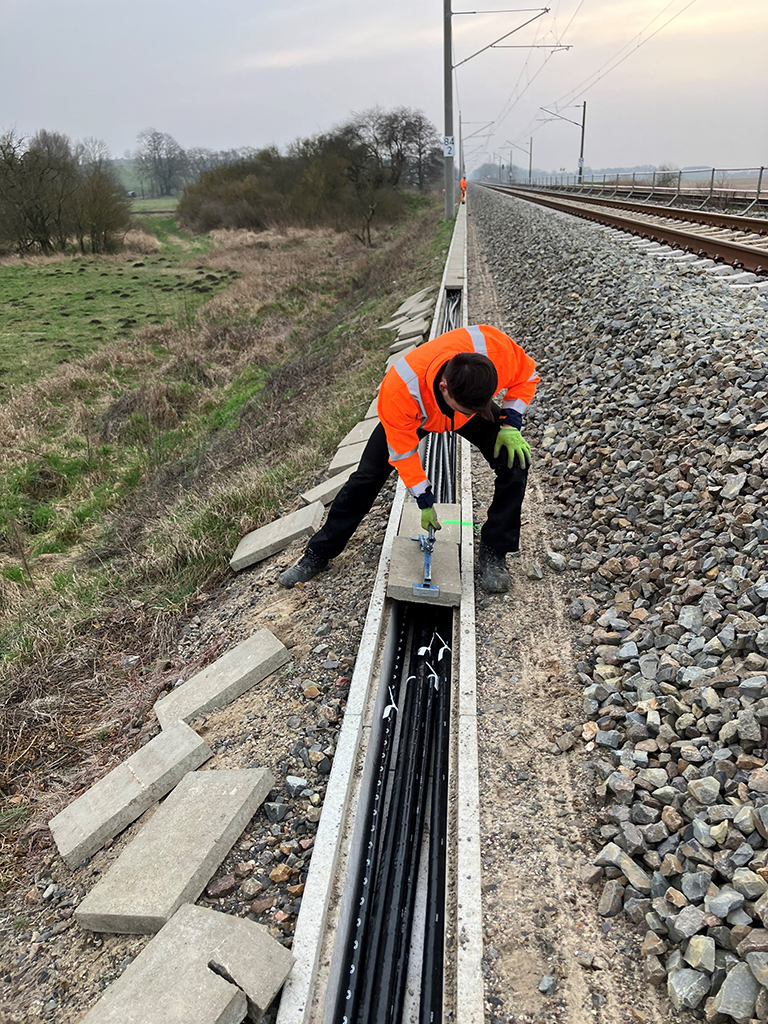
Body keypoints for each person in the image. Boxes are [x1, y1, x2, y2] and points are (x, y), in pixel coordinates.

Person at [279, 324, 539, 594]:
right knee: (365, 479)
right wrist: (424, 500)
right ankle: (318, 554)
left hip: (468, 406)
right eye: (467, 407)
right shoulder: (399, 392)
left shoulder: (492, 349)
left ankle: (495, 551)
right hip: (418, 413)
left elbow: (527, 375)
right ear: (444, 388)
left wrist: (509, 423)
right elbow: (403, 453)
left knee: (515, 462)